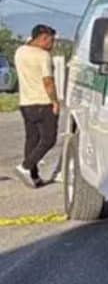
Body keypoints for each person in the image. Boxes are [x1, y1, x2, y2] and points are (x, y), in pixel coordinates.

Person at [13, 25, 60, 188]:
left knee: (32, 139)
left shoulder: (20, 51)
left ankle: (34, 176)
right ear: (43, 38)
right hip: (43, 102)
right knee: (49, 139)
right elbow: (48, 81)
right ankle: (25, 166)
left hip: (26, 103)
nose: (52, 45)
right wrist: (55, 101)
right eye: (51, 40)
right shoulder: (43, 56)